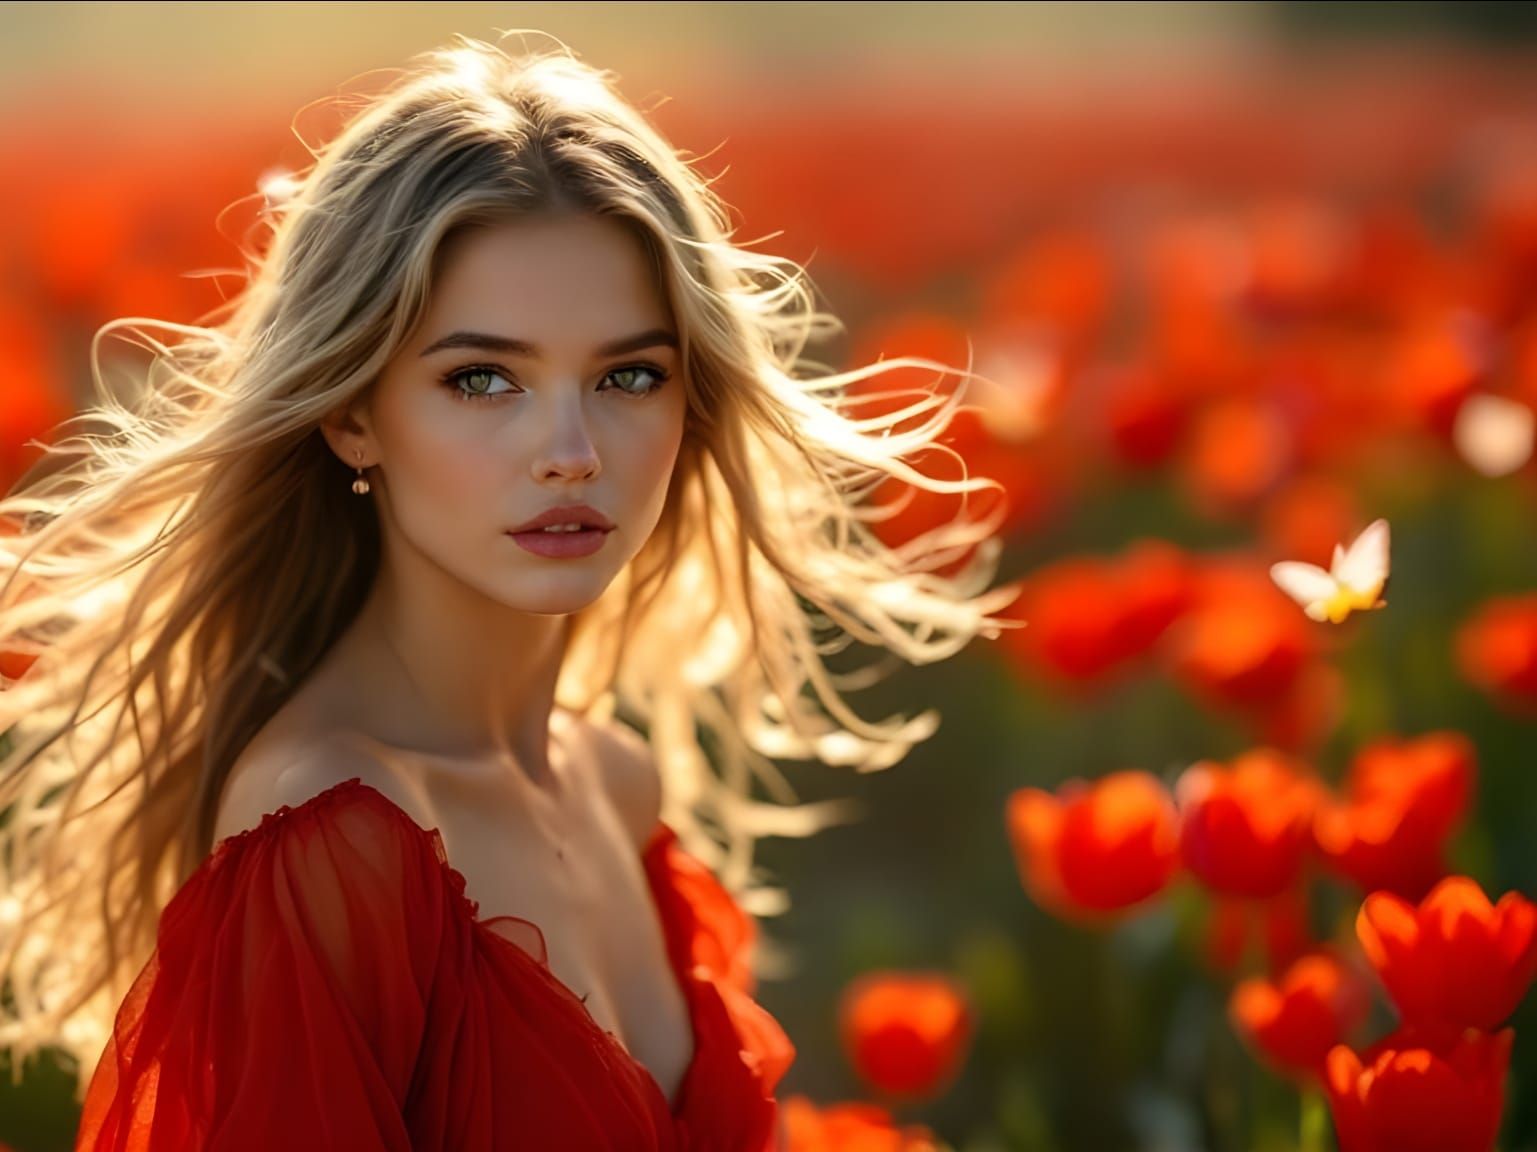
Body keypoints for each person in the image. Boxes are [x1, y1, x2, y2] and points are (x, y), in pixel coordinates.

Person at [0, 32, 1017, 1151]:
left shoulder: (614, 784)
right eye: (482, 379)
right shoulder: (336, 836)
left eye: (629, 375)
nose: (571, 452)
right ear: (351, 414)